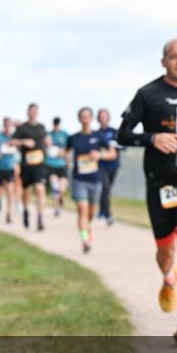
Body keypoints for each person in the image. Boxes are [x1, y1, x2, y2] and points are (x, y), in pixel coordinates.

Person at [119, 38, 177, 346]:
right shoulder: (148, 93)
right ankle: (169, 278)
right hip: (159, 182)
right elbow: (123, 133)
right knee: (166, 251)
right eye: (173, 56)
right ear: (164, 61)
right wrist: (153, 138)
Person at [67, 107, 117, 253]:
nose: (85, 119)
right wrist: (64, 157)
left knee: (90, 213)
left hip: (95, 179)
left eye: (88, 116)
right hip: (79, 179)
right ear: (79, 119)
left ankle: (87, 228)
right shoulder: (74, 138)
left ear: (91, 118)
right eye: (82, 116)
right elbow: (65, 153)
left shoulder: (99, 136)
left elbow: (112, 154)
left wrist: (100, 155)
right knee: (82, 209)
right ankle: (85, 239)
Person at [11, 103, 49, 231]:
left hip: (40, 164)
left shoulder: (42, 127)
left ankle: (40, 217)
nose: (33, 113)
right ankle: (26, 210)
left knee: (40, 188)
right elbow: (11, 141)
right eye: (31, 111)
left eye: (35, 111)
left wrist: (48, 142)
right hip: (26, 165)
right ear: (28, 112)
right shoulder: (22, 128)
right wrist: (23, 142)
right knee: (26, 192)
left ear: (37, 113)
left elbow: (47, 140)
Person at [94, 109, 122, 226]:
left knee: (107, 190)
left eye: (104, 115)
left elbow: (123, 145)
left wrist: (115, 145)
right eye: (101, 116)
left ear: (108, 117)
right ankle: (108, 214)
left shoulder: (114, 131)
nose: (103, 117)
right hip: (100, 165)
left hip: (113, 165)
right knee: (104, 188)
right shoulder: (96, 134)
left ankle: (102, 210)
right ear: (98, 118)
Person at [0, 118, 19, 225]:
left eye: (9, 125)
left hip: (10, 167)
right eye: (6, 125)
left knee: (10, 190)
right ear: (3, 125)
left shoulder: (14, 137)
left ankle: (9, 214)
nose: (7, 127)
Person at [46, 117, 70, 217]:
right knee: (55, 187)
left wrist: (66, 156)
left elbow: (68, 148)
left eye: (58, 123)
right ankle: (56, 208)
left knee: (62, 189)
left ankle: (61, 198)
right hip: (51, 164)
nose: (56, 125)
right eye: (55, 123)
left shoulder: (64, 134)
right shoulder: (49, 135)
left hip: (62, 164)